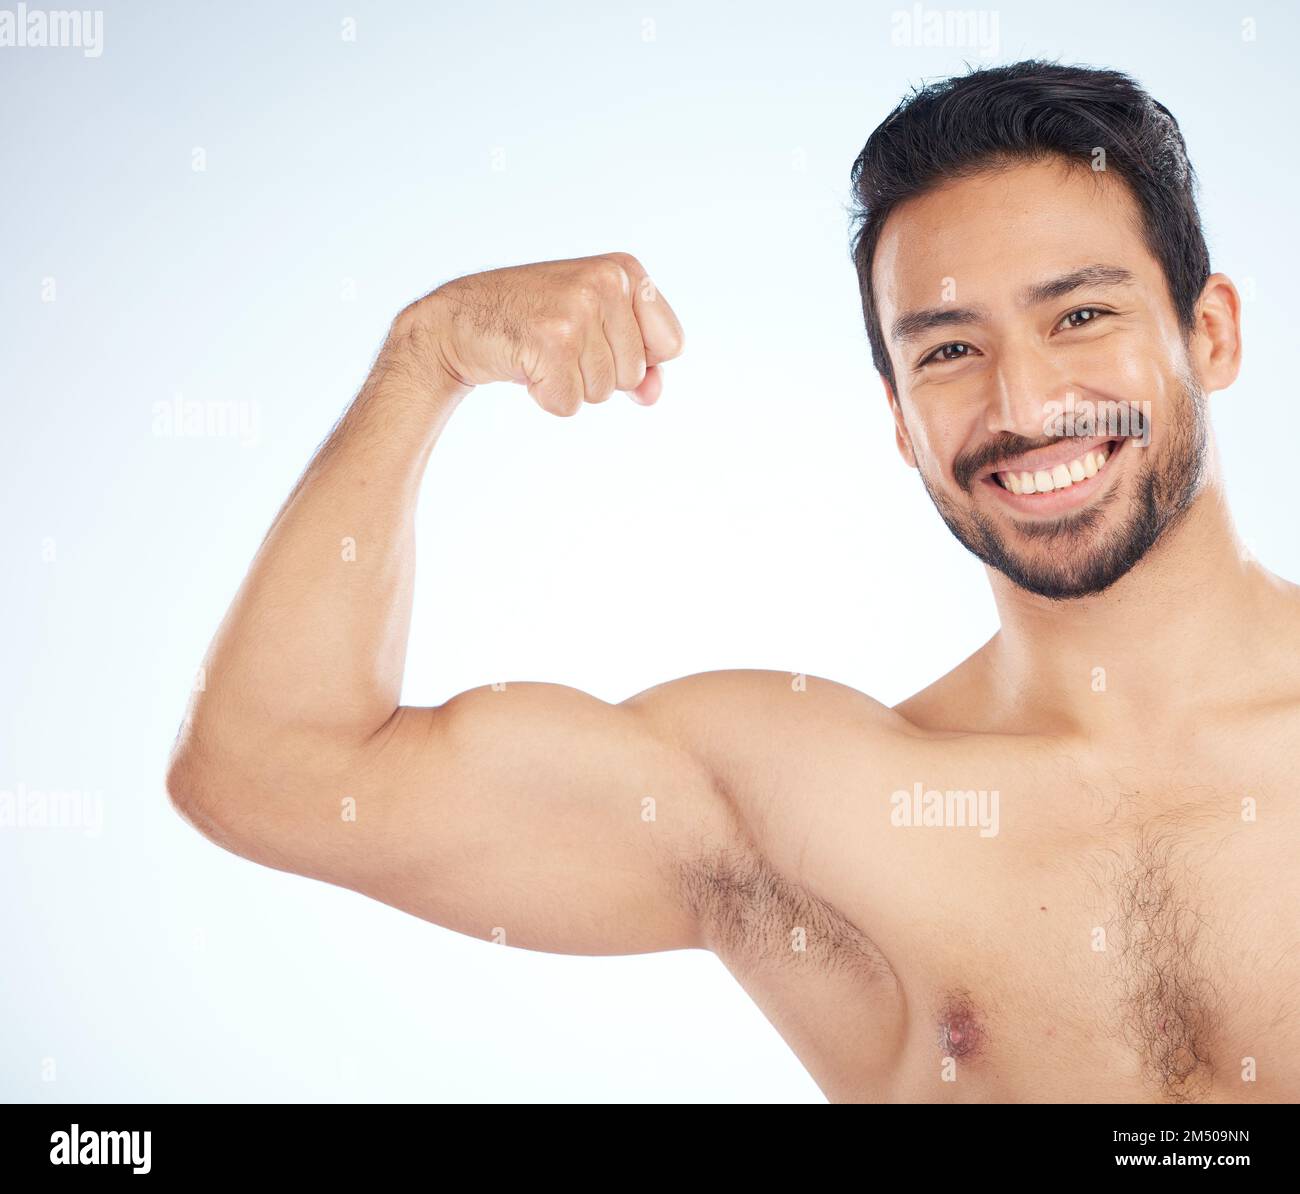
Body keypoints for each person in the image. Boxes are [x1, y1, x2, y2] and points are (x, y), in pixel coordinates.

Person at [166, 60, 1300, 1103]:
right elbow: (269, 773)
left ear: (1210, 335)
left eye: (1080, 315)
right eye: (948, 350)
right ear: (900, 421)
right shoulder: (812, 811)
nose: (1022, 404)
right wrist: (428, 355)